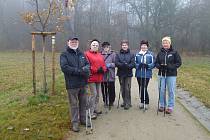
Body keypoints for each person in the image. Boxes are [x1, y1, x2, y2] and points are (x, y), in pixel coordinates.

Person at [60, 37, 90, 132]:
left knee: (83, 103)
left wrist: (85, 69)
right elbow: (64, 68)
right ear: (68, 42)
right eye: (72, 41)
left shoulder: (82, 54)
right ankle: (75, 123)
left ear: (78, 42)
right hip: (72, 84)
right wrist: (79, 71)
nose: (74, 43)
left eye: (75, 41)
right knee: (74, 104)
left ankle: (83, 119)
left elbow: (88, 65)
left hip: (83, 83)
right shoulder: (64, 54)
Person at [155, 36, 182, 114]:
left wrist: (170, 67)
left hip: (171, 74)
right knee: (161, 90)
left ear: (170, 43)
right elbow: (156, 63)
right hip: (162, 74)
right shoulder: (160, 53)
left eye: (166, 42)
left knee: (171, 91)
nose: (165, 44)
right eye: (164, 43)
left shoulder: (174, 52)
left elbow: (179, 63)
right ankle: (162, 105)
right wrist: (159, 66)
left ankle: (170, 107)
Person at [85, 39, 107, 118]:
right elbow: (87, 65)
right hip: (91, 78)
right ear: (90, 46)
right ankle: (90, 112)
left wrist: (103, 69)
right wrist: (96, 69)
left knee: (98, 94)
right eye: (93, 45)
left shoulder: (100, 55)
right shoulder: (86, 54)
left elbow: (104, 65)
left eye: (96, 45)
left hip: (99, 77)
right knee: (93, 94)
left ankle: (95, 108)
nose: (95, 46)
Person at [135, 40, 155, 110]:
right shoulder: (137, 54)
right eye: (142, 45)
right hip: (139, 74)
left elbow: (153, 64)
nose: (143, 46)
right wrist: (138, 65)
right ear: (141, 46)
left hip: (147, 74)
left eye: (145, 45)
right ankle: (141, 101)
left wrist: (148, 66)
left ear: (147, 46)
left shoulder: (151, 54)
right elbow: (134, 63)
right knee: (140, 87)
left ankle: (146, 102)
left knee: (144, 87)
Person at [115, 40, 135, 110]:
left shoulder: (131, 54)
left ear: (128, 46)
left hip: (128, 73)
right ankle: (124, 101)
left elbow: (133, 64)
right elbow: (116, 63)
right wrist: (122, 65)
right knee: (122, 88)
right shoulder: (118, 54)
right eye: (123, 45)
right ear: (121, 46)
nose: (124, 46)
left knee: (127, 88)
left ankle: (128, 103)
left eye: (125, 45)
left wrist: (127, 65)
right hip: (121, 73)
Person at [101, 42, 116, 107]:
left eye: (107, 47)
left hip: (111, 74)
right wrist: (103, 66)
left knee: (111, 88)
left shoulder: (113, 54)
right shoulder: (100, 54)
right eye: (104, 47)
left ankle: (111, 101)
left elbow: (116, 63)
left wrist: (110, 65)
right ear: (103, 48)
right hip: (103, 74)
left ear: (109, 47)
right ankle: (105, 101)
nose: (106, 48)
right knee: (104, 88)